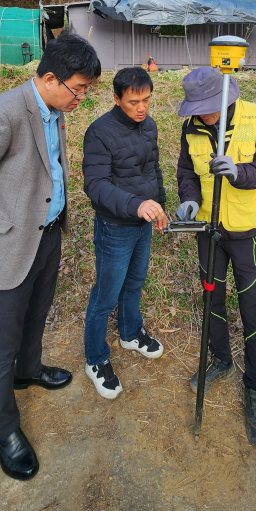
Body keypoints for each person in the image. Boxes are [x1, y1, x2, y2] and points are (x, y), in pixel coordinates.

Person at [0, 31, 101, 481]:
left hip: (46, 237)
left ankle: (27, 371)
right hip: (7, 247)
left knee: (36, 316)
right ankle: (3, 429)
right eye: (79, 90)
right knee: (1, 342)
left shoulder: (55, 110)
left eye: (86, 90)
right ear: (49, 78)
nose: (82, 99)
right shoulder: (3, 115)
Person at [176, 67, 256, 448]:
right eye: (197, 109)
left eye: (208, 108)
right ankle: (221, 358)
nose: (203, 115)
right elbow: (186, 170)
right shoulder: (191, 127)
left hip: (246, 232)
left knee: (252, 307)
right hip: (209, 232)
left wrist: (239, 172)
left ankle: (255, 386)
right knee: (212, 300)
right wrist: (189, 199)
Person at [82, 67, 167, 399]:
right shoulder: (100, 132)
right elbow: (96, 185)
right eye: (133, 102)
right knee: (105, 295)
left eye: (146, 100)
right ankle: (95, 359)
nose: (141, 108)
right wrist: (136, 205)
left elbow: (153, 169)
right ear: (116, 99)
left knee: (135, 282)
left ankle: (130, 333)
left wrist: (158, 206)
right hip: (115, 227)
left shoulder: (149, 126)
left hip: (142, 224)